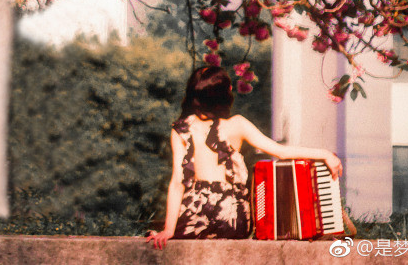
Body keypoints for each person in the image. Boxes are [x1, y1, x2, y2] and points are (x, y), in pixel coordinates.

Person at [145, 65, 343, 247]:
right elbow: (281, 152)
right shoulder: (237, 125)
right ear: (225, 94)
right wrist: (324, 154)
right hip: (231, 214)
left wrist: (169, 230)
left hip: (196, 211)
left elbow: (177, 183)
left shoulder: (181, 128)